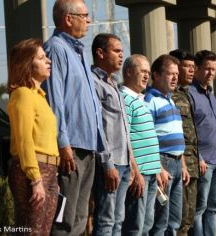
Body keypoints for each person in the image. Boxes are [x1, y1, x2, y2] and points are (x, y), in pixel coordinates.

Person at [42, 0, 106, 234]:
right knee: (64, 218)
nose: (89, 20)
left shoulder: (77, 51)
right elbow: (54, 100)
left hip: (87, 146)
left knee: (80, 217)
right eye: (85, 15)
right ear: (69, 19)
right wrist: (63, 143)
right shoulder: (56, 48)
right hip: (71, 149)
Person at [91, 33, 141, 236]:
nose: (122, 55)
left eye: (122, 51)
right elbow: (96, 126)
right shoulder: (93, 82)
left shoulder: (113, 84)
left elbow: (122, 128)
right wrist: (107, 163)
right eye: (117, 51)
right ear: (100, 53)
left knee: (118, 221)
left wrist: (131, 162)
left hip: (123, 162)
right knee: (106, 220)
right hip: (109, 163)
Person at [7, 38, 59, 235]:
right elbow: (24, 140)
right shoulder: (22, 94)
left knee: (42, 231)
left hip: (49, 169)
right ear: (28, 64)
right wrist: (35, 179)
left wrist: (52, 173)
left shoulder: (39, 96)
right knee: (31, 231)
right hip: (33, 169)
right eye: (41, 57)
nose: (48, 61)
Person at [120, 54, 162, 235]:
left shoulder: (141, 100)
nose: (147, 76)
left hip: (151, 172)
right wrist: (135, 171)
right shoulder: (124, 99)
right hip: (139, 173)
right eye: (142, 71)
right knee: (134, 226)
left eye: (148, 72)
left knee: (147, 225)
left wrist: (158, 168)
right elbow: (124, 137)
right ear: (128, 72)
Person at [145, 54, 187, 235]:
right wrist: (158, 167)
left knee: (175, 221)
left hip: (177, 164)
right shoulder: (149, 100)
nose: (175, 78)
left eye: (177, 74)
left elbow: (177, 136)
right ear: (156, 75)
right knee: (160, 221)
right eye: (170, 74)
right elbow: (148, 136)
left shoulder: (170, 99)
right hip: (163, 164)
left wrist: (183, 164)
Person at [188, 50, 216, 236]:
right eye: (207, 69)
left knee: (213, 209)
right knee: (199, 209)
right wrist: (199, 157)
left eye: (213, 69)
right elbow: (189, 129)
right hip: (203, 163)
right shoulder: (190, 93)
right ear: (196, 69)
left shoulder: (211, 94)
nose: (211, 73)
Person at [169, 49, 199, 236]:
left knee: (189, 217)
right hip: (180, 163)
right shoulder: (167, 96)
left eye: (193, 67)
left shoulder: (185, 94)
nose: (191, 71)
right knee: (178, 218)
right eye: (186, 66)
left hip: (193, 162)